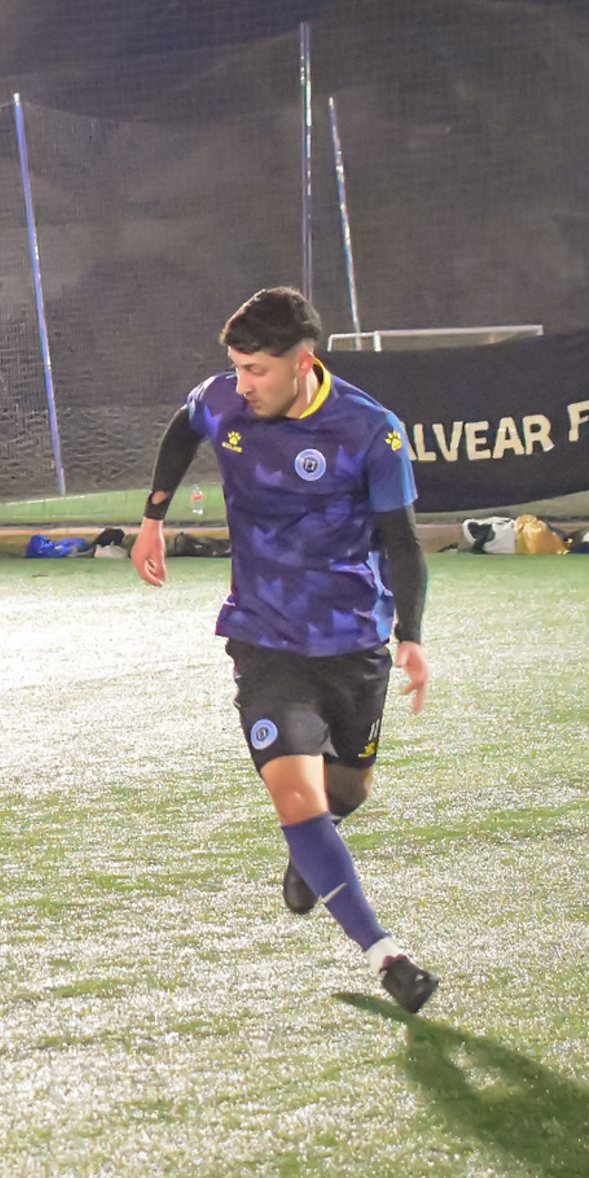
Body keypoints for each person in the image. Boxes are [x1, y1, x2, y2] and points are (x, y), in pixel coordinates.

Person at [129, 287, 439, 1013]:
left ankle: (312, 852)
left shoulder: (371, 430)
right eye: (237, 368)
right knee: (294, 794)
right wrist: (152, 518)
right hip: (263, 638)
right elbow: (184, 426)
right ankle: (387, 956)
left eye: (257, 371)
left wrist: (412, 638)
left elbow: (401, 541)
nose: (241, 385)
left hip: (353, 642)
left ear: (303, 363)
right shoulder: (225, 400)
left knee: (348, 791)